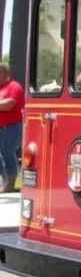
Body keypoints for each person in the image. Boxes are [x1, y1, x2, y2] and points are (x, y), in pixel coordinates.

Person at [0, 64, 24, 193]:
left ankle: (10, 184)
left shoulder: (14, 87)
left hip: (11, 127)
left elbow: (9, 104)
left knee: (7, 153)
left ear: (3, 73)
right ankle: (6, 180)